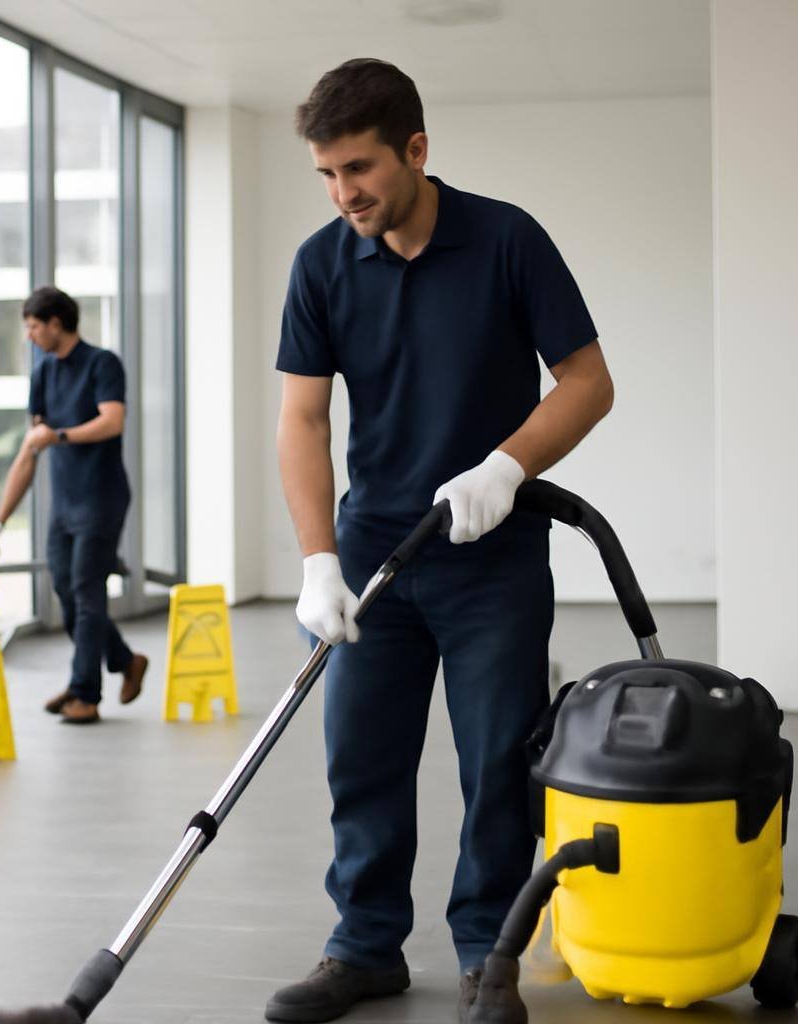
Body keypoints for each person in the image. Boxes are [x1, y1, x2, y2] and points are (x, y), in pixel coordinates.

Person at [268, 60, 613, 1024]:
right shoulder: (321, 264)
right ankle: (363, 946)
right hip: (371, 557)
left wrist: (507, 466)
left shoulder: (507, 240)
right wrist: (317, 561)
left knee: (497, 763)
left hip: (490, 559)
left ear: (416, 149)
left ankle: (486, 957)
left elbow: (588, 381)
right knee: (361, 759)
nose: (344, 194)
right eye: (327, 174)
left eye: (360, 168)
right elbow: (303, 419)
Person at [0, 286, 148, 725]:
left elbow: (113, 421)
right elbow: (31, 449)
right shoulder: (43, 373)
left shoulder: (102, 363)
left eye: (34, 327)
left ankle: (85, 693)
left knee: (87, 593)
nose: (29, 336)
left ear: (56, 323)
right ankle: (124, 660)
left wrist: (61, 435)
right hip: (65, 504)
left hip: (102, 498)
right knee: (67, 594)